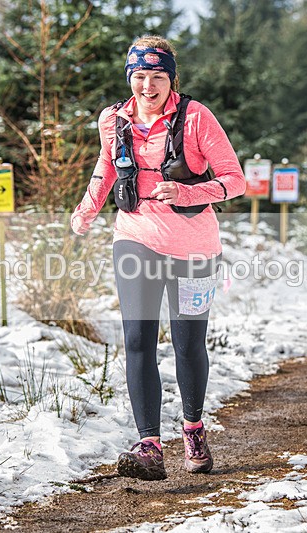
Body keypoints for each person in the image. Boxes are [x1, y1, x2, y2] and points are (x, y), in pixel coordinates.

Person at [70, 35, 246, 480]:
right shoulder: (113, 119)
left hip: (196, 248)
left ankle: (193, 428)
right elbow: (107, 165)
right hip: (135, 238)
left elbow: (235, 180)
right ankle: (148, 443)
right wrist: (87, 208)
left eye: (158, 77)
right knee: (137, 340)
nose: (148, 87)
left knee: (187, 346)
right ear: (130, 77)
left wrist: (189, 191)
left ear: (172, 78)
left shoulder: (196, 118)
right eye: (140, 77)